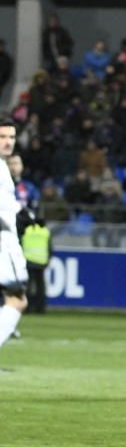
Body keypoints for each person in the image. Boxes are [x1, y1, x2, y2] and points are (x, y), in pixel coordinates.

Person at [0, 121, 28, 350]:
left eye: (11, 137)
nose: (8, 142)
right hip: (2, 243)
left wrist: (22, 214)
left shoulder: (3, 167)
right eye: (2, 137)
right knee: (17, 301)